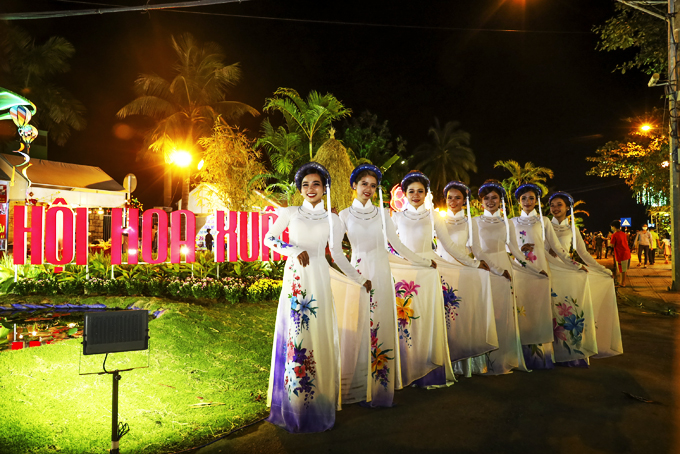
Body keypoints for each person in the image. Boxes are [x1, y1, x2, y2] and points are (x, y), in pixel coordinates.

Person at [264, 162, 367, 433]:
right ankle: (294, 403)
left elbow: (337, 253)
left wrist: (358, 278)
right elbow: (270, 239)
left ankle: (318, 400)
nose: (311, 189)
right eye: (306, 184)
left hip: (320, 276)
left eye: (316, 184)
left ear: (324, 189)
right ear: (300, 189)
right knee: (297, 333)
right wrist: (293, 248)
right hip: (297, 277)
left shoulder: (333, 219)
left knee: (318, 333)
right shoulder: (289, 213)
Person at [331, 164, 436, 407]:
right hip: (359, 275)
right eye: (364, 184)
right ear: (354, 186)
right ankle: (357, 386)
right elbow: (336, 252)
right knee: (359, 327)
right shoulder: (343, 216)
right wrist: (356, 279)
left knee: (380, 325)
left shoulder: (383, 214)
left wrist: (423, 261)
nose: (368, 189)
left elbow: (397, 245)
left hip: (381, 274)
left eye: (373, 185)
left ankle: (379, 388)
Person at [391, 173, 496, 383]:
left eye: (420, 191)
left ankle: (431, 371)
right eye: (411, 191)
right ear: (405, 194)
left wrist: (474, 263)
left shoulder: (433, 216)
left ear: (426, 193)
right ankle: (408, 369)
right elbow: (392, 245)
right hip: (406, 272)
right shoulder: (397, 217)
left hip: (430, 271)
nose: (416, 195)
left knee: (429, 320)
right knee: (408, 321)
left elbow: (449, 246)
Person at [468, 180, 544, 374]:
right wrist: (497, 270)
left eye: (494, 197)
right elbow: (476, 250)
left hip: (506, 270)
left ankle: (504, 359)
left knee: (504, 315)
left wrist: (535, 270)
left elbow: (514, 250)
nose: (490, 201)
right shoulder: (475, 221)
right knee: (487, 313)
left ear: (500, 200)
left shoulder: (506, 222)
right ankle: (484, 363)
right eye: (486, 198)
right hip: (486, 270)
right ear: (481, 201)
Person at [511, 184, 586, 369]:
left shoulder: (543, 221)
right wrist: (519, 250)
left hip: (541, 271)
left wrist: (574, 263)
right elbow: (507, 246)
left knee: (540, 309)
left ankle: (541, 357)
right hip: (520, 270)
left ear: (536, 200)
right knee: (522, 309)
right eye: (523, 199)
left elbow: (558, 247)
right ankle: (522, 356)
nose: (527, 202)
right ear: (518, 201)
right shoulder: (511, 221)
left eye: (531, 198)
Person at [549, 192, 622, 362]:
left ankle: (568, 352)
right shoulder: (544, 226)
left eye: (559, 204)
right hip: (549, 271)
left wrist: (601, 269)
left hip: (566, 273)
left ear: (568, 208)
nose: (555, 208)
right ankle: (548, 353)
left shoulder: (572, 229)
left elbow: (583, 253)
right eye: (552, 205)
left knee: (565, 312)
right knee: (549, 312)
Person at [610, 220, 631, 287]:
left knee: (622, 269)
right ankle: (621, 282)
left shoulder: (614, 235)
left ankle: (623, 283)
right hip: (626, 252)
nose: (611, 228)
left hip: (620, 254)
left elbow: (612, 245)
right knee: (623, 269)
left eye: (611, 226)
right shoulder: (623, 234)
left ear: (614, 227)